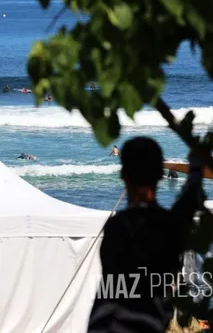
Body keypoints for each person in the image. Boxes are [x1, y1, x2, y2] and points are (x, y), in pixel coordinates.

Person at [87, 137, 203, 333]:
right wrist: (196, 168)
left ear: (123, 174)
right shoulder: (171, 227)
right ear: (160, 174)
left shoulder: (117, 227)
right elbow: (189, 199)